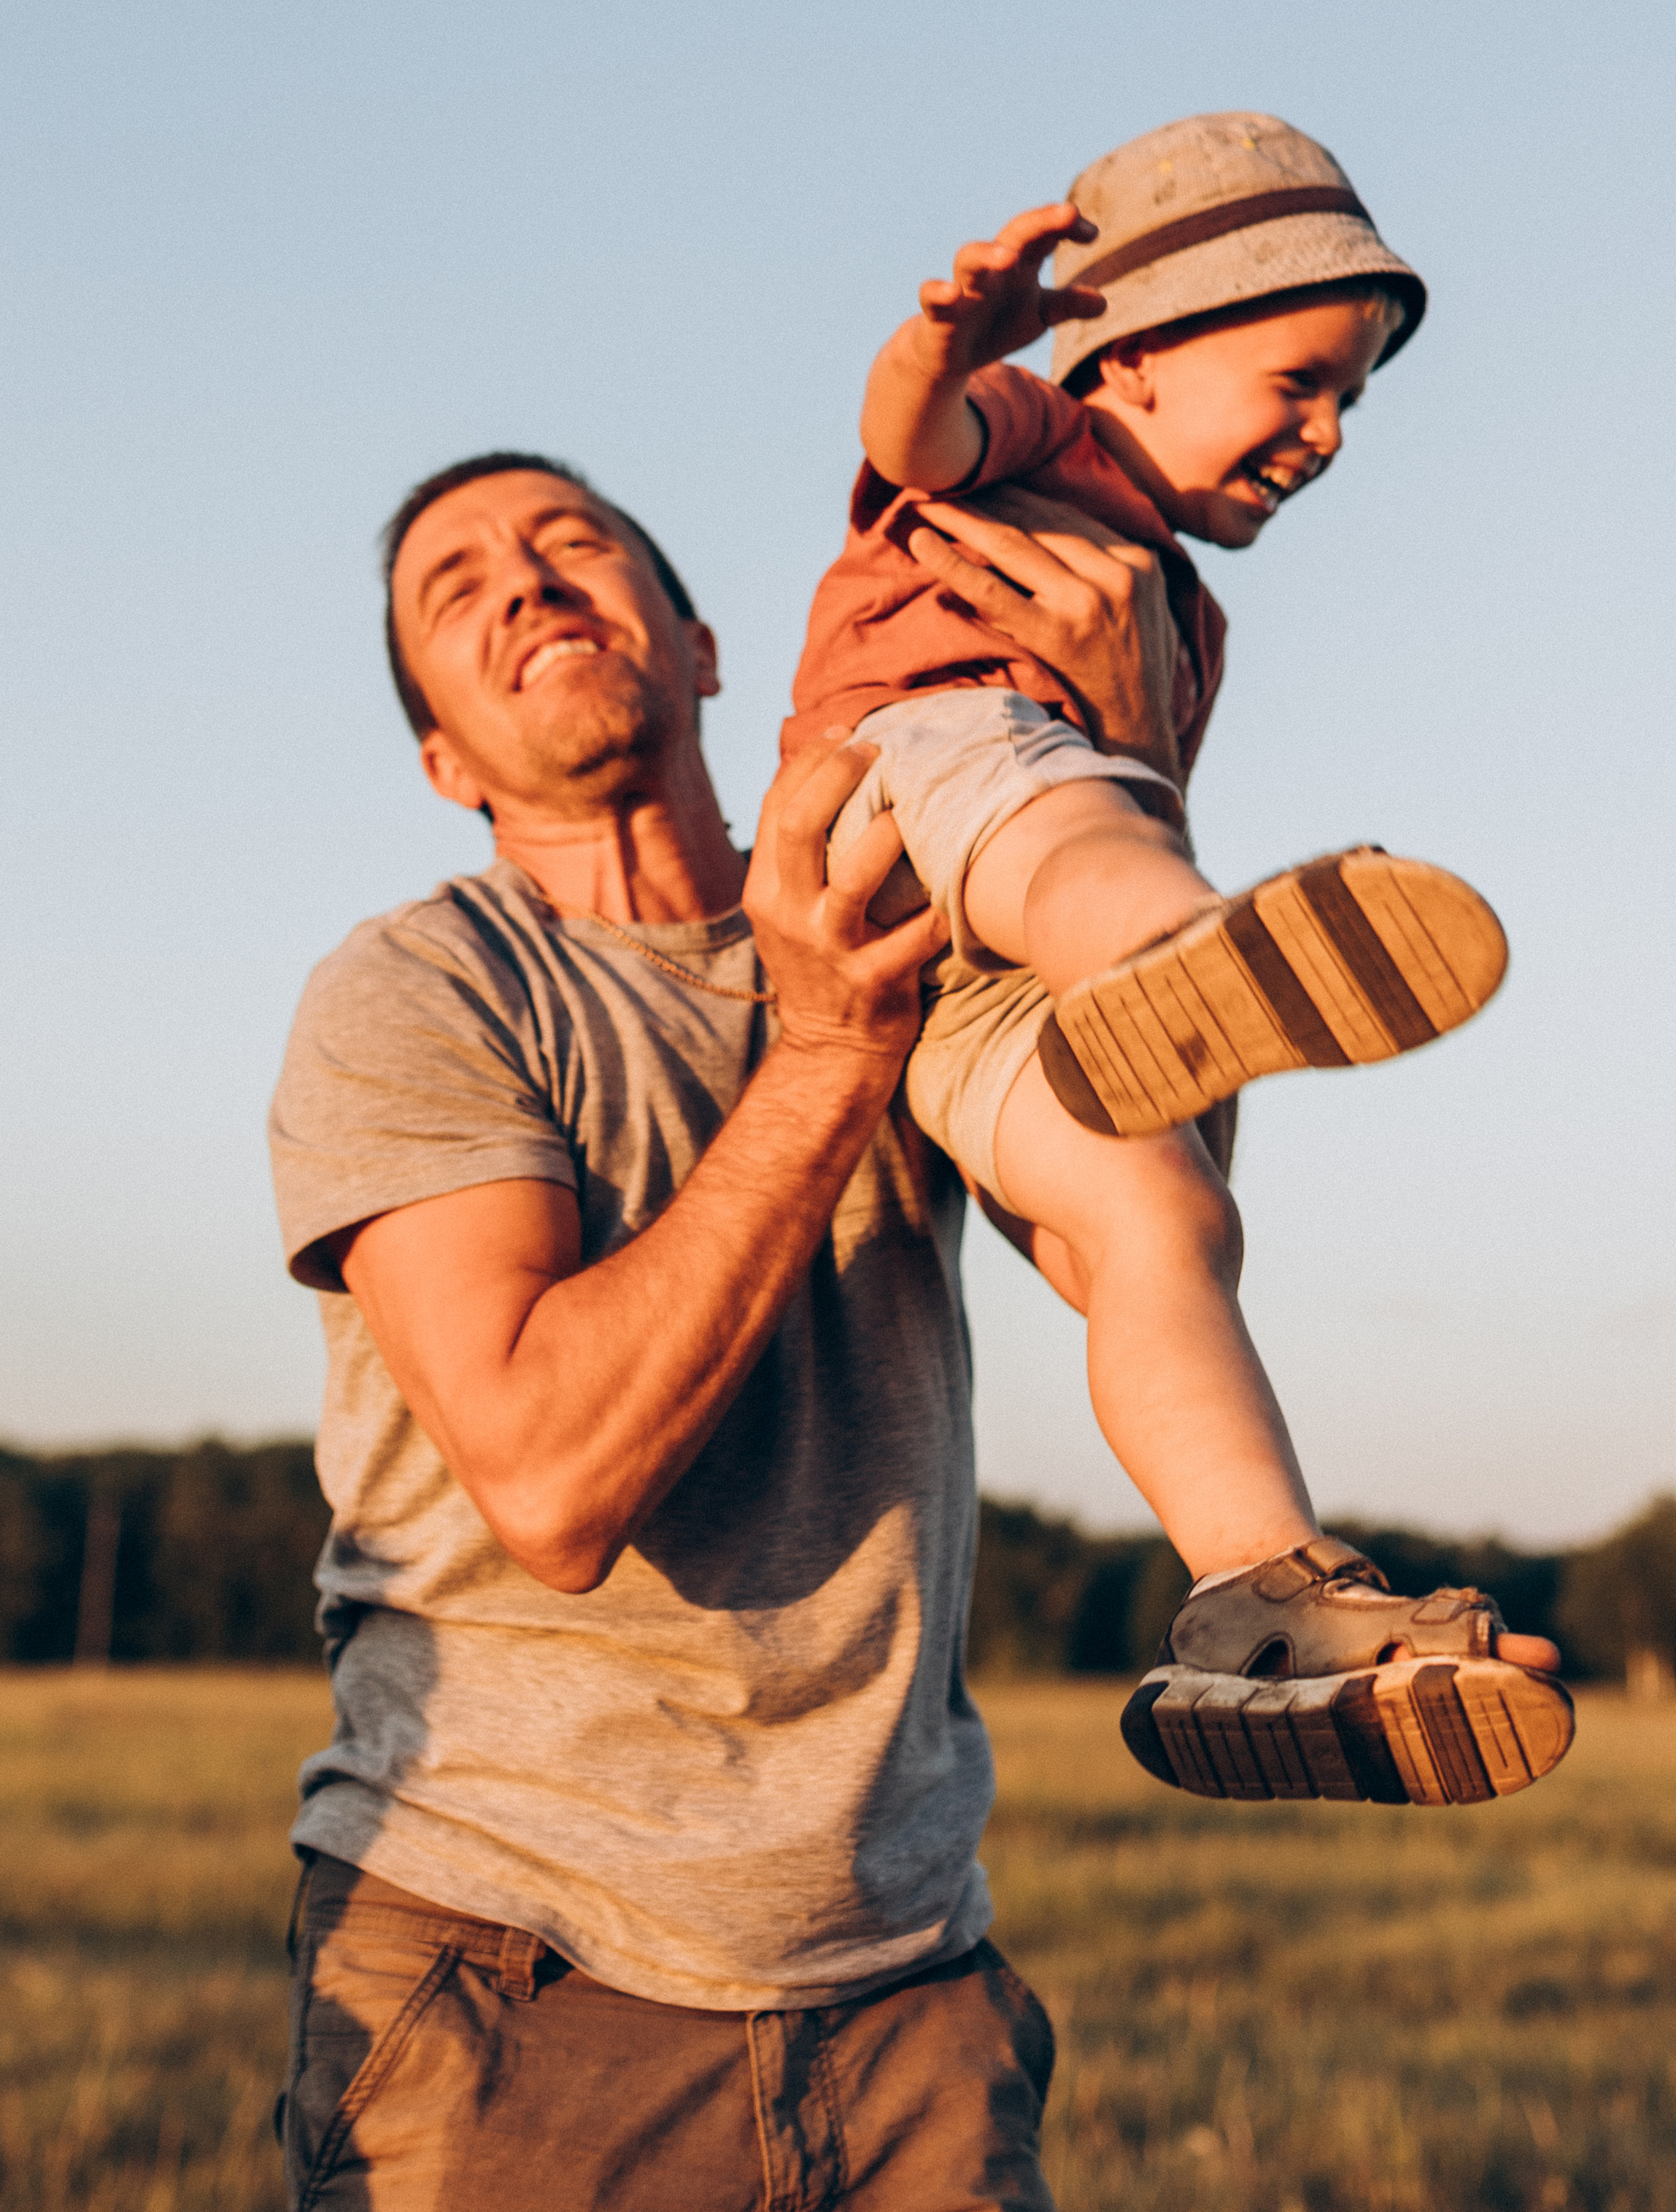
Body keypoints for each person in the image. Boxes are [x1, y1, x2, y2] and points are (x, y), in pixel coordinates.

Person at [268, 442, 1191, 2211]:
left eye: (571, 546)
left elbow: (1138, 1224)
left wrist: (1131, 783)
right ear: (442, 759)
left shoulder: (910, 909)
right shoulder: (418, 991)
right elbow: (548, 1481)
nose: (527, 584)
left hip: (910, 1984)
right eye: (458, 591)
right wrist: (830, 1050)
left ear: (700, 645)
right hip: (515, 1979)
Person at [788, 112, 1572, 1810]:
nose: (1327, 433)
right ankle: (1182, 954)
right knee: (1070, 825)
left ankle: (1254, 1597)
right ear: (1134, 356)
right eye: (1296, 380)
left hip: (959, 1003)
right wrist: (943, 340)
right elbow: (905, 434)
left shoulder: (1180, 615)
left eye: (1349, 400)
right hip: (921, 797)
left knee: (1160, 1225)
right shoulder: (1042, 434)